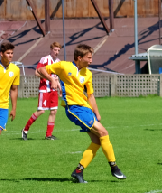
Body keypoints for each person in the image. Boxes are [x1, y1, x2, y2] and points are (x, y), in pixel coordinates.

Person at [38, 43, 125, 183]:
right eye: (89, 58)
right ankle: (114, 167)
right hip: (73, 108)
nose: (91, 61)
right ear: (79, 57)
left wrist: (97, 113)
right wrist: (52, 79)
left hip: (86, 108)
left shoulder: (88, 73)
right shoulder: (64, 66)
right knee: (104, 133)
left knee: (97, 141)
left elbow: (90, 96)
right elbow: (41, 70)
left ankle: (78, 171)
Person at [23, 42, 62, 140]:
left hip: (53, 90)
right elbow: (37, 72)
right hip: (44, 89)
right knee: (41, 111)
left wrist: (60, 87)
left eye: (58, 50)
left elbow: (56, 77)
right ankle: (25, 130)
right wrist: (49, 78)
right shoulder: (44, 59)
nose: (56, 52)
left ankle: (48, 135)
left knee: (53, 111)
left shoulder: (58, 61)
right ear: (51, 49)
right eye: (55, 50)